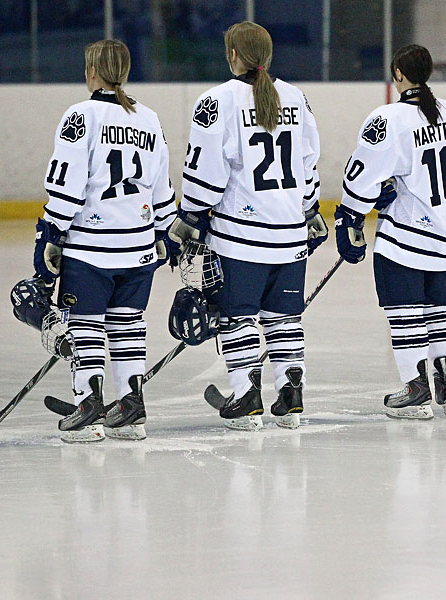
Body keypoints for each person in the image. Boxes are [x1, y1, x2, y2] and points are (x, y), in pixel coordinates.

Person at [169, 21, 324, 431]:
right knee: (285, 318)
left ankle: (246, 396)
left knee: (239, 317)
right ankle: (291, 396)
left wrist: (191, 216)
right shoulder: (297, 98)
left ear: (233, 55)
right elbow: (308, 165)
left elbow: (205, 173)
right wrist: (310, 212)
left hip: (241, 239)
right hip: (290, 235)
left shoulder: (217, 100)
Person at [33, 40, 176, 442]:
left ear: (92, 72)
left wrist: (50, 232)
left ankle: (88, 406)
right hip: (139, 244)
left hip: (91, 247)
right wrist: (165, 228)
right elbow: (161, 186)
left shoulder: (81, 115)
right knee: (128, 324)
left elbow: (67, 184)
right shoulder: (149, 118)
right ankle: (131, 407)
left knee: (86, 326)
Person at [335, 44, 446, 419]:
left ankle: (416, 387)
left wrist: (350, 216)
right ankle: (445, 383)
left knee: (405, 314)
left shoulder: (389, 118)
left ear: (398, 74)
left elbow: (361, 175)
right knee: (440, 311)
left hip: (405, 238)